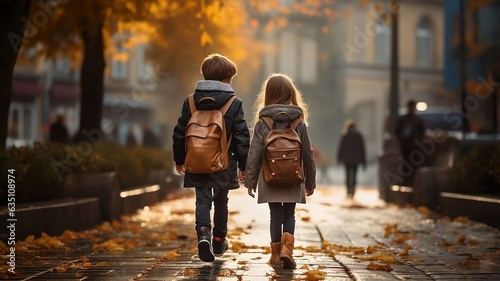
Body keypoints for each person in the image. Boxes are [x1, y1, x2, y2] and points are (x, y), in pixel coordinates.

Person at [172, 54, 250, 262]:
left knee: (203, 200)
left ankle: (203, 234)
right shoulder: (234, 103)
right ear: (226, 79)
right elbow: (242, 137)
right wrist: (244, 165)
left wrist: (180, 159)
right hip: (224, 162)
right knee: (221, 201)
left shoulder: (190, 101)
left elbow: (180, 132)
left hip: (197, 160)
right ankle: (218, 239)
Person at [245, 73, 316, 269]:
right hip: (294, 176)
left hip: (270, 177)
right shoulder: (299, 122)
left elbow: (254, 153)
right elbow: (308, 153)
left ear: (268, 95)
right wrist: (310, 181)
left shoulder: (263, 123)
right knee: (289, 214)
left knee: (275, 215)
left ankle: (276, 255)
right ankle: (288, 251)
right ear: (291, 94)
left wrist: (250, 180)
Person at [395, 99, 426, 187]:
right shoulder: (404, 120)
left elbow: (422, 132)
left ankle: (413, 184)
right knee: (405, 166)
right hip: (406, 147)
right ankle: (406, 183)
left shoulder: (417, 120)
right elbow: (397, 132)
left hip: (415, 147)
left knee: (414, 166)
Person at [336, 119, 366, 199]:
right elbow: (362, 149)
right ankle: (353, 190)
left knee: (348, 175)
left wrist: (339, 159)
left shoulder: (345, 135)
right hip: (356, 159)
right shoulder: (359, 135)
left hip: (347, 159)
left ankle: (348, 190)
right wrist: (363, 161)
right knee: (354, 175)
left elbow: (341, 148)